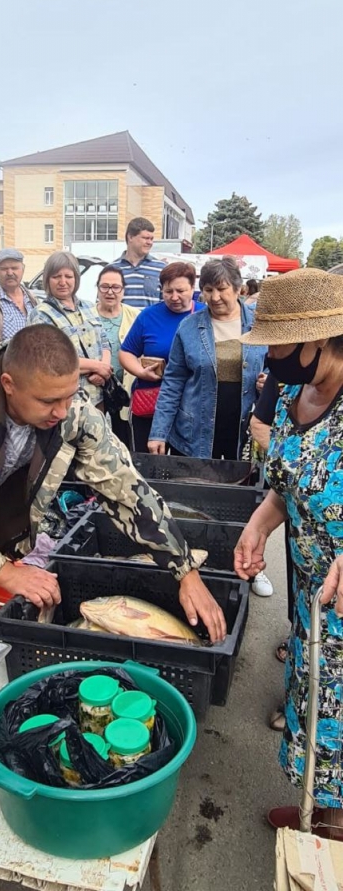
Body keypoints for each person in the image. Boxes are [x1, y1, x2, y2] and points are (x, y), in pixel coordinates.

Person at [0, 325, 226, 644]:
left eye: (70, 396)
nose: (62, 412)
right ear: (8, 384)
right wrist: (5, 572)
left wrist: (185, 570)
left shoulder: (67, 406)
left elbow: (124, 487)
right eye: (49, 402)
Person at [233, 268, 343, 838]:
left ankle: (335, 827)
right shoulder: (289, 397)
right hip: (310, 588)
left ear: (318, 339)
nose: (269, 355)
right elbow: (285, 484)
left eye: (278, 343)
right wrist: (259, 525)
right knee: (314, 689)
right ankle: (318, 807)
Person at [148, 256, 266, 461]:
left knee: (238, 488)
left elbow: (276, 366)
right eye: (208, 290)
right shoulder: (189, 327)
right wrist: (159, 432)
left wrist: (268, 381)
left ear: (238, 289)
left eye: (222, 289)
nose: (215, 297)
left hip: (242, 428)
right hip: (194, 430)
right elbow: (173, 382)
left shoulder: (261, 325)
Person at [118, 261, 205, 452]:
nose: (174, 297)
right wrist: (141, 372)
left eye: (180, 291)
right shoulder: (148, 316)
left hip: (191, 407)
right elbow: (126, 353)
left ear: (192, 288)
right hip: (152, 404)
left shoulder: (204, 316)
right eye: (168, 291)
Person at [27, 251, 112, 411]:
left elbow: (105, 342)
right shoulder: (41, 314)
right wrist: (97, 367)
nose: (63, 282)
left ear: (76, 279)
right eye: (56, 276)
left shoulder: (89, 307)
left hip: (99, 397)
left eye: (68, 276)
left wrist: (104, 370)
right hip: (67, 403)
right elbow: (50, 360)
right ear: (47, 280)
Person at [95, 265, 139, 447]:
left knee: (125, 443)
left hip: (125, 392)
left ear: (123, 290)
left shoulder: (136, 316)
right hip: (95, 390)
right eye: (104, 287)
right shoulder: (87, 315)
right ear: (97, 289)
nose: (110, 292)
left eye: (115, 287)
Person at [0, 248, 38, 344]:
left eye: (14, 268)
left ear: (23, 269)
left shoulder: (34, 301)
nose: (10, 273)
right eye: (4, 269)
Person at [109, 217, 164, 308]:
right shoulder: (111, 269)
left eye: (151, 239)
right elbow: (102, 305)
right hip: (122, 322)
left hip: (149, 322)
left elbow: (166, 305)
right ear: (130, 237)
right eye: (146, 238)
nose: (150, 242)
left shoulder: (161, 269)